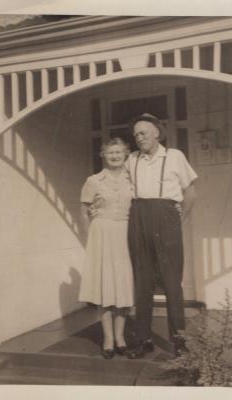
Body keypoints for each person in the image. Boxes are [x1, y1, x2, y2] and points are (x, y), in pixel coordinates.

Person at [125, 113, 198, 359]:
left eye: (143, 132)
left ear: (157, 132)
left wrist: (178, 219)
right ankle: (141, 339)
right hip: (138, 216)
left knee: (171, 284)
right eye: (135, 134)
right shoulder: (131, 159)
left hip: (166, 216)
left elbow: (190, 193)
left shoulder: (175, 156)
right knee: (142, 282)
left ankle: (180, 345)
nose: (139, 138)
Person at [79, 137, 134, 359]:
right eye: (110, 152)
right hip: (101, 233)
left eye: (118, 152)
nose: (114, 156)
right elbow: (84, 211)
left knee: (122, 286)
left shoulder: (133, 179)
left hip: (125, 233)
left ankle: (120, 337)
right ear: (103, 155)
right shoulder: (93, 180)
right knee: (105, 287)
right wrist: (88, 239)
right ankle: (108, 339)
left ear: (126, 154)